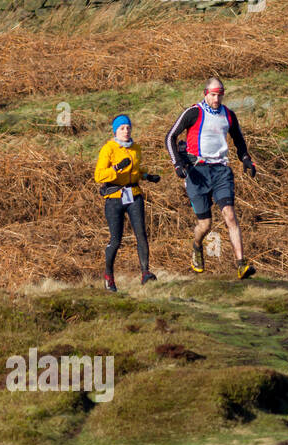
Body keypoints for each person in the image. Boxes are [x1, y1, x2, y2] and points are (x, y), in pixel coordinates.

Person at [164, 77, 257, 279]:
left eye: (219, 95)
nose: (216, 99)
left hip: (221, 171)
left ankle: (241, 264)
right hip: (197, 171)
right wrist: (177, 163)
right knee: (205, 224)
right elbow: (170, 136)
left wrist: (246, 159)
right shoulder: (194, 112)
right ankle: (197, 246)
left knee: (230, 215)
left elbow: (239, 139)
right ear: (205, 93)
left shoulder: (229, 115)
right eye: (213, 95)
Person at [94, 114, 162, 291]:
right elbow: (99, 175)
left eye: (128, 127)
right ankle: (109, 277)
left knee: (141, 234)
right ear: (115, 131)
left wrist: (147, 176)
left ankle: (145, 273)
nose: (126, 131)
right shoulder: (108, 148)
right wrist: (116, 168)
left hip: (134, 194)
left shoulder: (135, 148)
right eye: (122, 128)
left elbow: (136, 170)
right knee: (116, 240)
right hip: (114, 197)